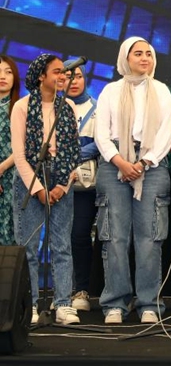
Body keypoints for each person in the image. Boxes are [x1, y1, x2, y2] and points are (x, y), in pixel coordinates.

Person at [94, 37, 171, 324]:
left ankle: (149, 304)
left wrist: (142, 163)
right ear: (125, 58)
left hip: (151, 167)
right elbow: (100, 133)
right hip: (113, 165)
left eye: (149, 54)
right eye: (137, 53)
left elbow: (167, 135)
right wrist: (121, 162)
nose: (144, 58)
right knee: (114, 237)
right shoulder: (110, 90)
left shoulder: (162, 91)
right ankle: (115, 302)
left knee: (150, 238)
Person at [11, 54, 82, 325]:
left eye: (64, 72)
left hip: (62, 178)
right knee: (28, 246)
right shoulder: (22, 106)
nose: (63, 76)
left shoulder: (70, 106)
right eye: (57, 72)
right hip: (30, 178)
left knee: (62, 245)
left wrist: (63, 186)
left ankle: (63, 303)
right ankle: (27, 305)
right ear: (42, 76)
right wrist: (39, 189)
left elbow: (74, 153)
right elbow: (19, 155)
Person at [64, 59, 99, 312]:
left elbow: (104, 141)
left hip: (87, 186)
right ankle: (61, 292)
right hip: (56, 183)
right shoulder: (51, 109)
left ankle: (82, 290)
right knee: (60, 239)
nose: (72, 81)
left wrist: (74, 153)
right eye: (66, 76)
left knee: (79, 235)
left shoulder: (97, 107)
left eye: (77, 76)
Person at [0, 55, 20, 247]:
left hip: (14, 176)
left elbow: (23, 147)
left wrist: (2, 168)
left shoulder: (21, 108)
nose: (3, 76)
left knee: (10, 235)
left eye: (8, 72)